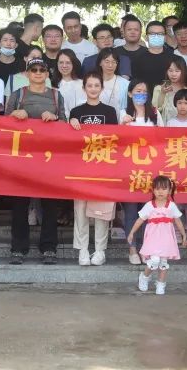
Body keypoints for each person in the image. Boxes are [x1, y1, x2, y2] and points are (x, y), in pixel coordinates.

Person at [5, 57, 66, 265]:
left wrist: (55, 118)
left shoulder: (56, 96)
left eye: (41, 70)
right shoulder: (18, 94)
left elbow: (65, 124)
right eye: (34, 70)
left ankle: (49, 248)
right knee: (19, 204)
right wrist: (15, 113)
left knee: (50, 205)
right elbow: (2, 124)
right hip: (21, 158)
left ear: (47, 74)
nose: (38, 73)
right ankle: (18, 248)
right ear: (27, 74)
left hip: (48, 159)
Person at [68, 71, 118, 267]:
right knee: (80, 210)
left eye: (97, 85)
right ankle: (82, 249)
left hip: (103, 168)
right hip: (80, 168)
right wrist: (70, 124)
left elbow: (115, 140)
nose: (93, 89)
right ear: (84, 88)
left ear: (102, 88)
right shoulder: (76, 112)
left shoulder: (110, 112)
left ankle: (99, 250)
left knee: (101, 211)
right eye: (89, 85)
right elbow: (70, 142)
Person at [128, 176, 187, 295]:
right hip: (153, 239)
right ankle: (144, 277)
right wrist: (132, 232)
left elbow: (178, 221)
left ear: (169, 190)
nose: (160, 192)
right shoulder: (149, 205)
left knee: (163, 263)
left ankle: (161, 284)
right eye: (157, 189)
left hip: (166, 239)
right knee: (154, 261)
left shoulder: (171, 206)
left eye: (164, 189)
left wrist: (184, 235)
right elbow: (140, 220)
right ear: (153, 190)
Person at [152, 57, 187, 126]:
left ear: (183, 71)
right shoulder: (158, 89)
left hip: (185, 129)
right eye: (170, 70)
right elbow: (155, 111)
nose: (173, 74)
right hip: (163, 128)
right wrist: (162, 93)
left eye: (177, 71)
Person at [96, 48, 130, 119]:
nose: (110, 65)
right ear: (100, 63)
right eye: (107, 61)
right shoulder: (92, 82)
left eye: (114, 62)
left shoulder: (125, 84)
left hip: (118, 122)